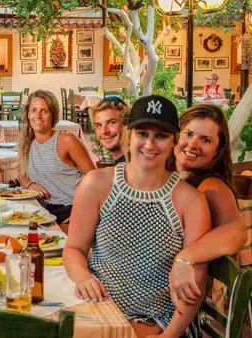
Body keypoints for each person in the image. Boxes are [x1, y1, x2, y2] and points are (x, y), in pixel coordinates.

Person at [64, 95, 211, 338]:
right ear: (128, 136)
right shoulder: (97, 184)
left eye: (161, 136)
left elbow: (194, 286)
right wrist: (82, 277)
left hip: (157, 321)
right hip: (97, 309)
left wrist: (167, 336)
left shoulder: (191, 201)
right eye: (142, 133)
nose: (150, 145)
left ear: (174, 141)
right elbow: (74, 248)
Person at [169, 104, 247, 313]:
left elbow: (237, 232)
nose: (193, 144)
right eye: (189, 134)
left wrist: (185, 258)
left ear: (217, 151)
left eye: (205, 140)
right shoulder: (168, 177)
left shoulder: (211, 187)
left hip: (175, 302)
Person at [17, 89, 95, 225]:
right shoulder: (28, 143)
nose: (38, 116)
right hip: (43, 210)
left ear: (53, 115)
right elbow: (21, 175)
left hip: (70, 209)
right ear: (27, 114)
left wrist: (83, 211)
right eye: (34, 110)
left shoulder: (67, 140)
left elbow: (95, 179)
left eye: (44, 111)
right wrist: (31, 185)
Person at [89, 96, 130, 164]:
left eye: (111, 122)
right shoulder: (122, 163)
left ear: (126, 124)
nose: (104, 131)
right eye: (98, 125)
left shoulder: (133, 166)